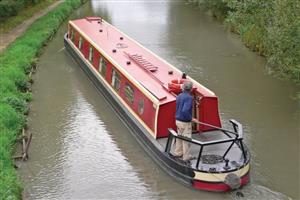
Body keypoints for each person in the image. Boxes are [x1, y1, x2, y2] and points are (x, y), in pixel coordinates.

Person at [172, 81, 194, 162]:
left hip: (177, 121)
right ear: (191, 89)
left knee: (179, 137)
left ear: (183, 88)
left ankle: (178, 152)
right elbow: (185, 110)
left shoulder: (179, 96)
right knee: (187, 139)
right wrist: (191, 118)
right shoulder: (189, 98)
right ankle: (186, 157)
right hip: (185, 123)